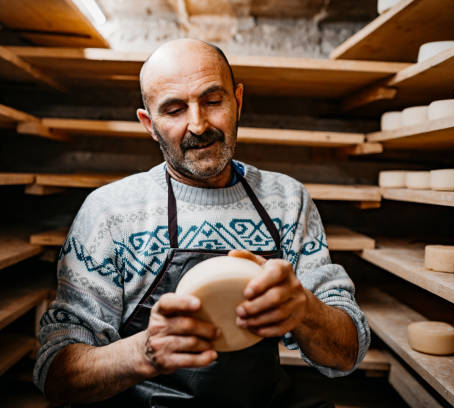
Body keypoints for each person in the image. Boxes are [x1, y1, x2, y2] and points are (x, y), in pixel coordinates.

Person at [34, 38, 370, 407]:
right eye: (175, 110)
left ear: (237, 101)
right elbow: (56, 375)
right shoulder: (110, 212)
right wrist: (143, 353)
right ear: (149, 124)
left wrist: (305, 309)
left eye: (213, 101)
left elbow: (347, 354)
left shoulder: (287, 200)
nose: (198, 124)